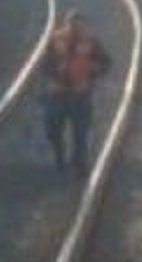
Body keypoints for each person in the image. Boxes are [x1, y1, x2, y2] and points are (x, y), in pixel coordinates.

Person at [42, 10, 111, 177]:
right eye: (72, 24)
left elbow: (106, 62)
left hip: (80, 93)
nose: (75, 28)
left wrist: (93, 73)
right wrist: (54, 72)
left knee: (81, 132)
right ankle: (60, 155)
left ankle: (79, 163)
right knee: (52, 128)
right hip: (57, 93)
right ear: (66, 24)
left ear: (84, 25)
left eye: (79, 24)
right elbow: (44, 62)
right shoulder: (55, 39)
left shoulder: (91, 42)